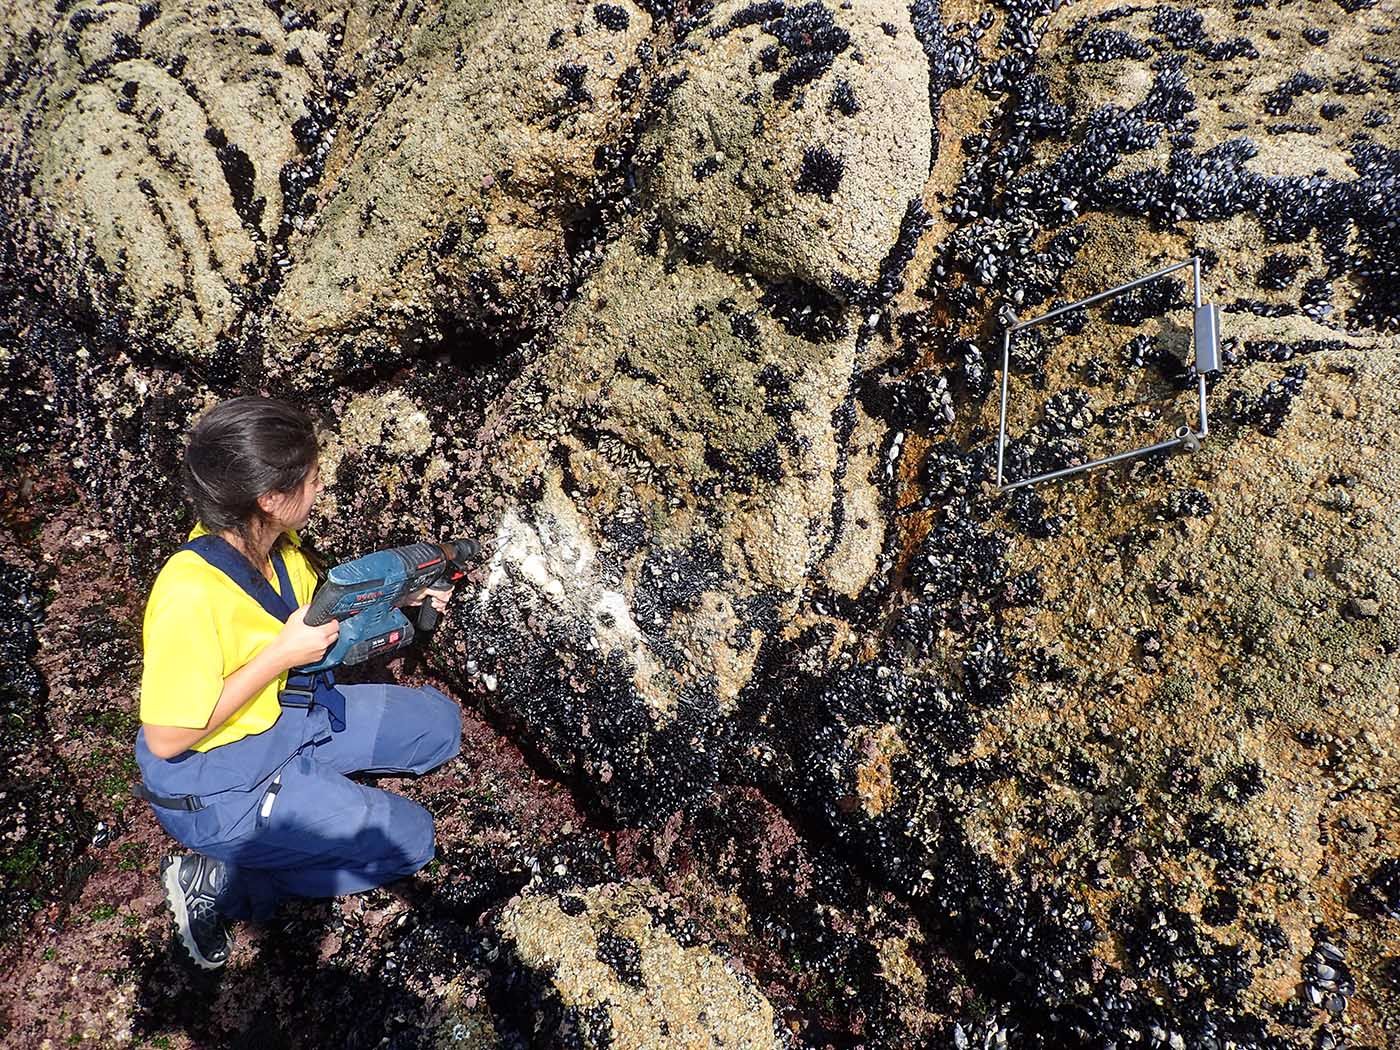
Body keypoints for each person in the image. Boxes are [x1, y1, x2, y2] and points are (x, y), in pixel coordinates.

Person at [134, 395, 463, 970]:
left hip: (294, 715)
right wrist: (278, 655)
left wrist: (406, 596)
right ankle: (224, 881)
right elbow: (166, 738)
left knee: (440, 728)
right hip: (221, 782)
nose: (318, 490)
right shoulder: (188, 592)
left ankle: (312, 785)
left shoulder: (273, 547)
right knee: (412, 841)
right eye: (311, 479)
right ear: (270, 497)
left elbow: (315, 613)